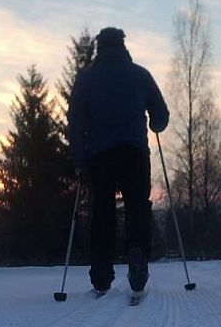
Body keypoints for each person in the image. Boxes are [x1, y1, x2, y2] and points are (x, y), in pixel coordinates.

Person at [67, 27, 169, 294]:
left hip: (99, 155)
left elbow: (75, 123)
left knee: (102, 211)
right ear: (123, 46)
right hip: (134, 151)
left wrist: (79, 159)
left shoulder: (86, 79)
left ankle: (101, 273)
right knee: (137, 207)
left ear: (99, 48)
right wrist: (156, 124)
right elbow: (161, 114)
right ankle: (137, 252)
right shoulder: (140, 75)